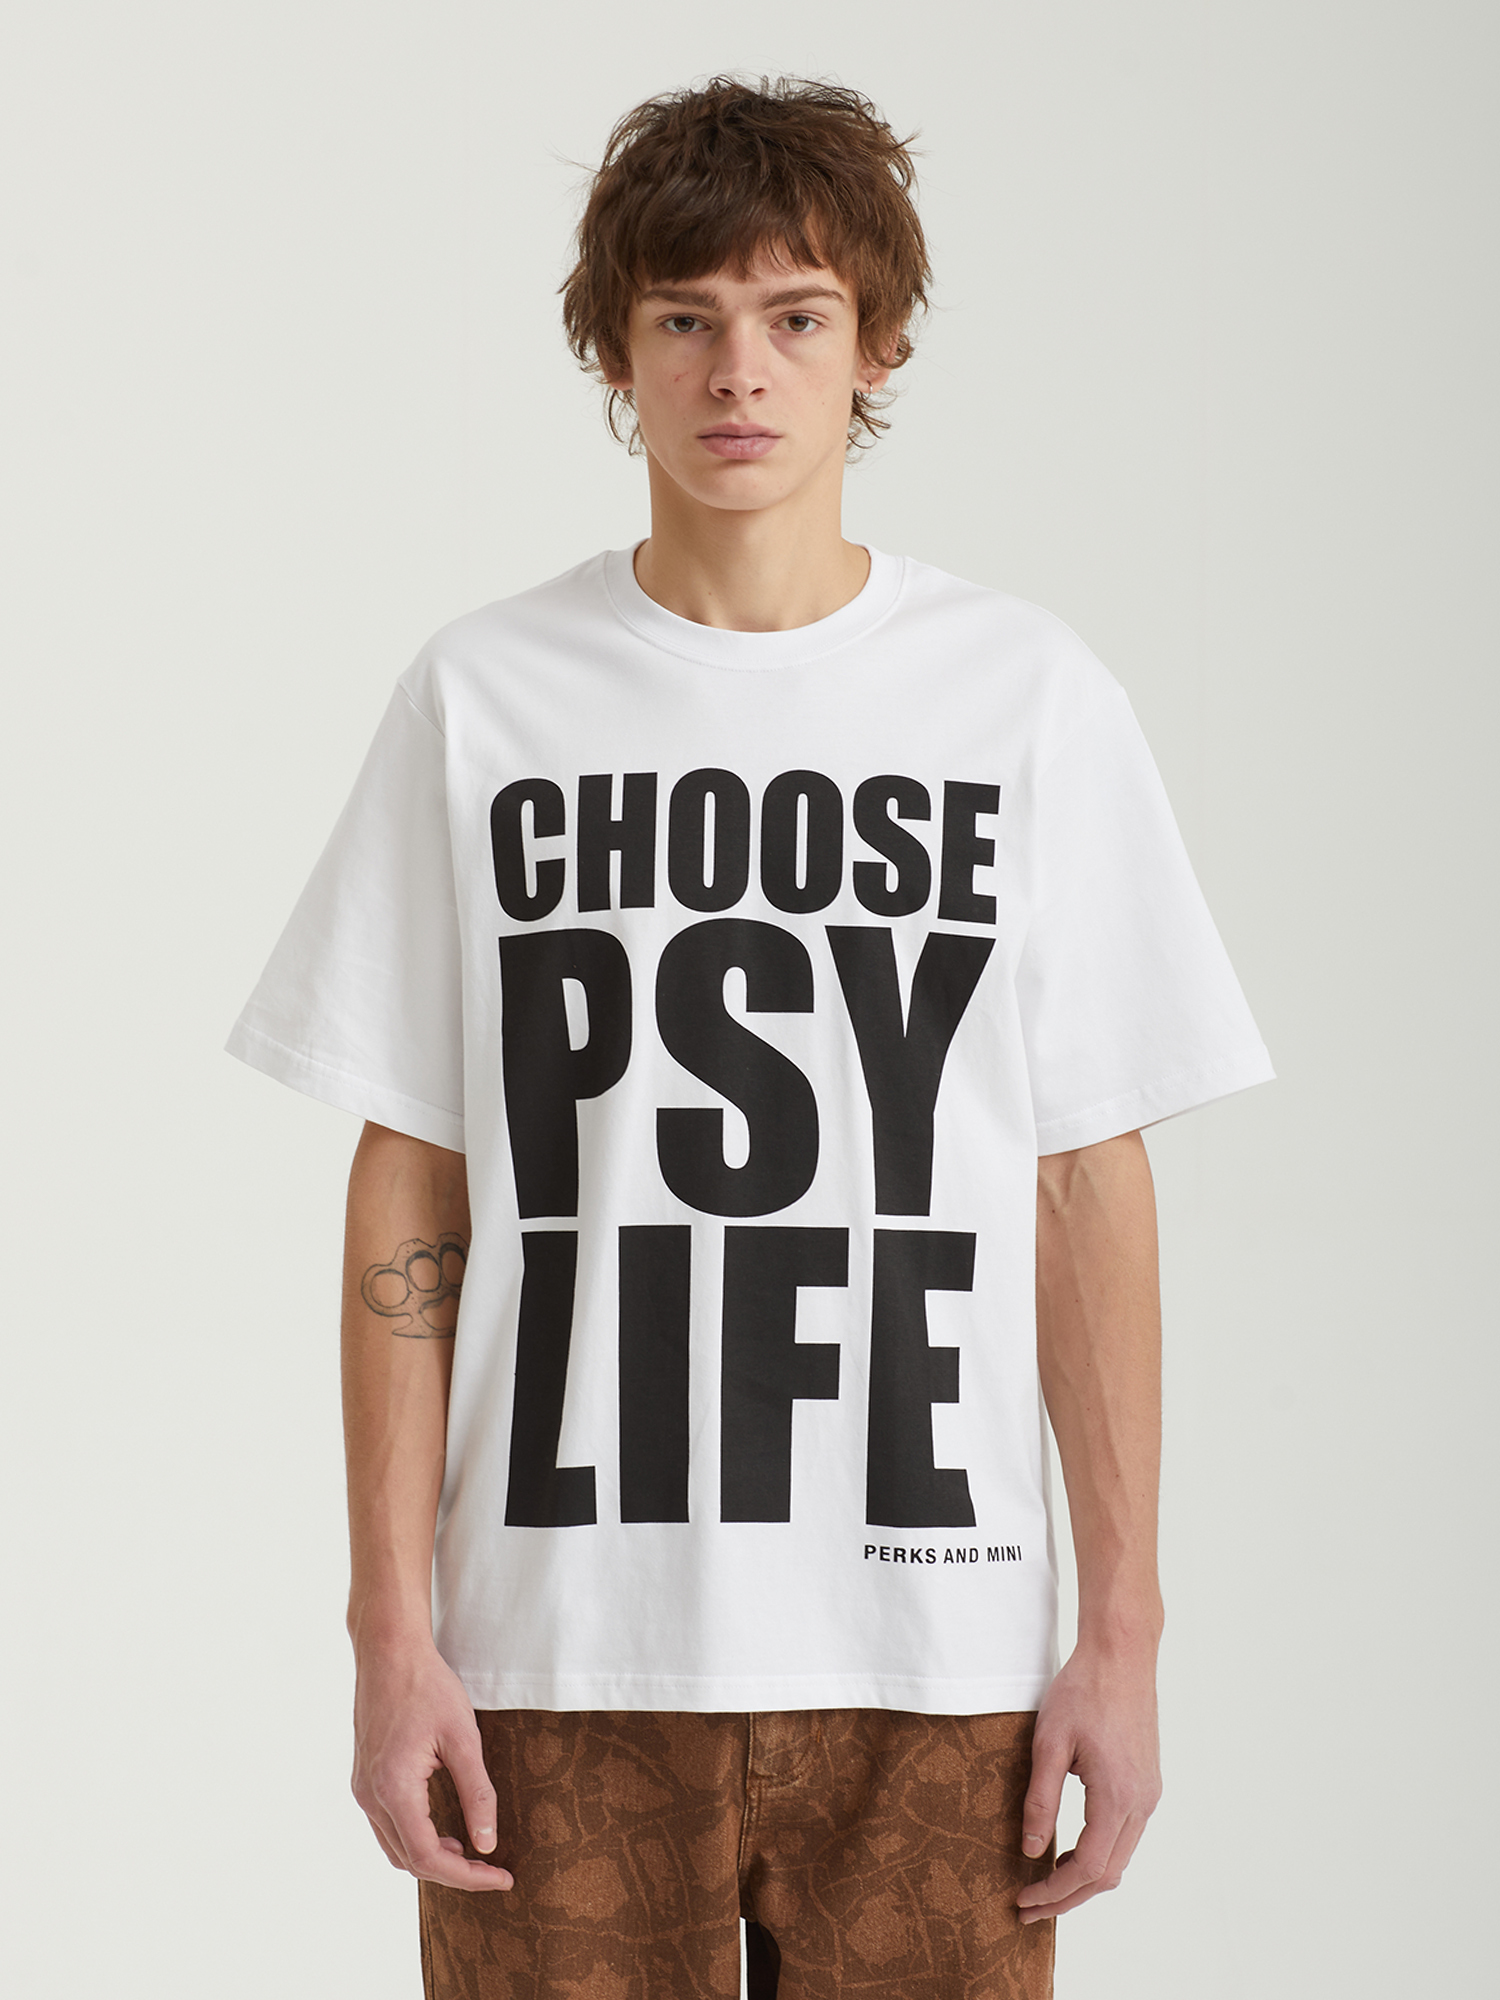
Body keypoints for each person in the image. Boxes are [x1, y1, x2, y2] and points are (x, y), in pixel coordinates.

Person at [228, 76, 1273, 2000]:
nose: (739, 371)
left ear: (876, 345)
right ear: (614, 351)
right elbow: (412, 1171)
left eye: (796, 316)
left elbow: (1081, 1172)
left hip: (934, 1656)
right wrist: (389, 1626)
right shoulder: (483, 700)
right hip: (557, 1655)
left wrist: (1121, 1634)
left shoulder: (1026, 701)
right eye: (684, 317)